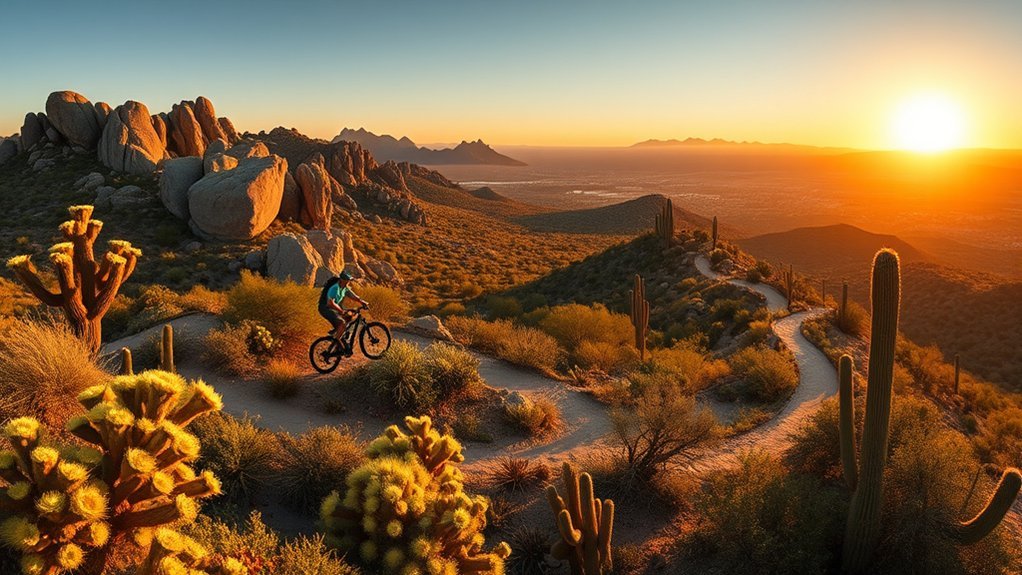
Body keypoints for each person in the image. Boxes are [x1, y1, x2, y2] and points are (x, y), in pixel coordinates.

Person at [318, 271, 369, 350]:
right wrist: (341, 311)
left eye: (349, 280)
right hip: (325, 308)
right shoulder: (335, 288)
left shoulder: (344, 287)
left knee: (350, 315)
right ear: (342, 280)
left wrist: (362, 302)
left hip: (333, 308)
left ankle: (337, 332)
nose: (349, 282)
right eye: (348, 281)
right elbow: (330, 303)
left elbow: (352, 295)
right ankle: (337, 342)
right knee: (342, 323)